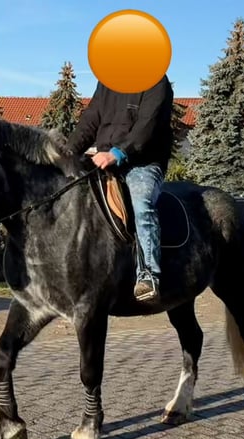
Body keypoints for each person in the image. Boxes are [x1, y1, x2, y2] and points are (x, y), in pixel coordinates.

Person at [62, 75, 174, 302]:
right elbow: (90, 121)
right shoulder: (108, 81)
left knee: (142, 204)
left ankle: (148, 275)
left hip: (143, 161)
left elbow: (147, 127)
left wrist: (118, 153)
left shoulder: (156, 82)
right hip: (104, 158)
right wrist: (66, 154)